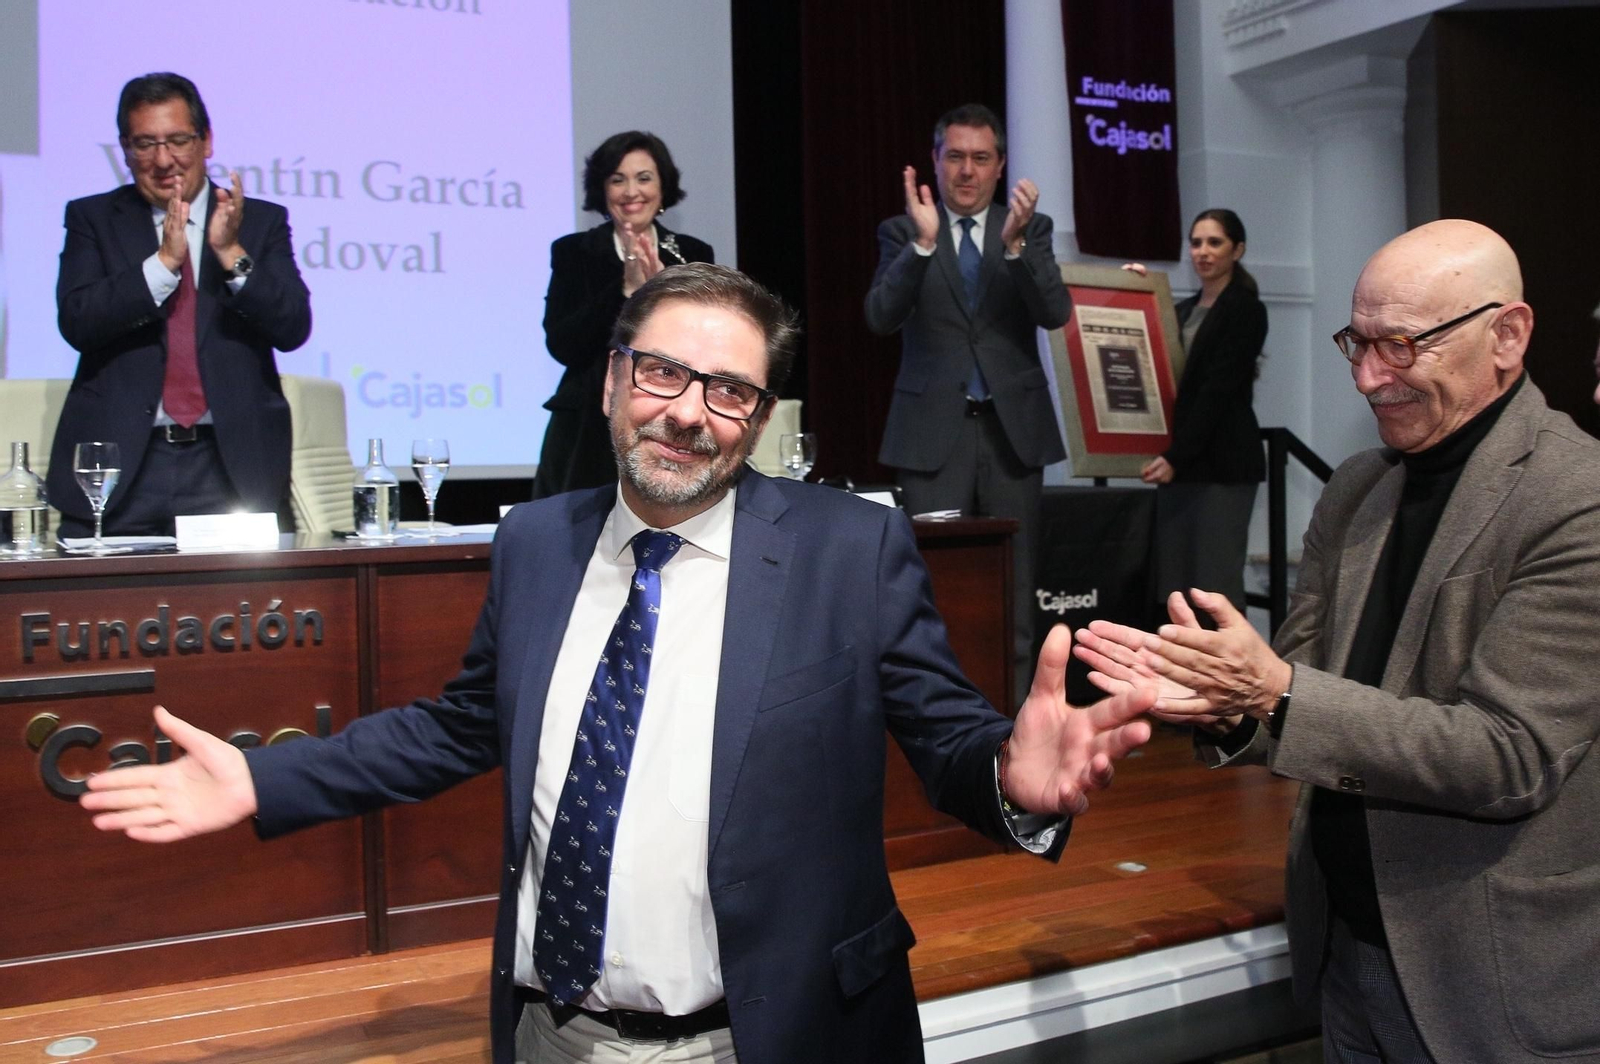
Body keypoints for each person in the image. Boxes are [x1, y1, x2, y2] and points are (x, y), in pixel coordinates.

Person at [82, 263, 1155, 1064]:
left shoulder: (848, 550)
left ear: (760, 419)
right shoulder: (535, 541)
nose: (688, 411)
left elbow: (946, 737)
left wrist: (1012, 779)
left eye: (728, 390)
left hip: (771, 1037)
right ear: (610, 380)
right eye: (661, 372)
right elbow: (460, 725)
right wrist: (263, 775)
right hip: (554, 1033)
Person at [1075, 220, 1600, 1063]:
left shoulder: (1578, 500)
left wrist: (1272, 690)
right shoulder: (1360, 489)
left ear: (1508, 335)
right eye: (1357, 342)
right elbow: (1308, 689)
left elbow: (1506, 755)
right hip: (1344, 949)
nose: (1366, 377)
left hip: (1487, 975)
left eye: (1401, 345)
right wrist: (1225, 705)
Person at [864, 103, 1072, 699]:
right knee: (934, 592)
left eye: (981, 158)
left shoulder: (1030, 228)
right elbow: (879, 315)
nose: (966, 170)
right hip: (934, 436)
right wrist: (924, 247)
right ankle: (941, 729)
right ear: (936, 160)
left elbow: (1054, 313)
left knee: (1016, 593)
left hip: (1013, 436)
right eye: (954, 156)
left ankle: (1016, 732)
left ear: (1000, 165)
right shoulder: (903, 231)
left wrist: (1014, 251)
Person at [50, 72, 312, 538]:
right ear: (125, 150)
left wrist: (232, 255)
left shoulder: (261, 222)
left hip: (229, 466)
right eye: (145, 144)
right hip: (121, 469)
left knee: (244, 611)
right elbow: (78, 321)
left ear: (206, 141)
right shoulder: (93, 219)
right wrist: (162, 265)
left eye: (177, 140)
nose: (163, 160)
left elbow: (292, 326)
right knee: (104, 611)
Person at [533, 131, 714, 499]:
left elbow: (705, 345)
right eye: (618, 180)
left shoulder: (692, 254)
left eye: (644, 178)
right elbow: (563, 344)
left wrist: (661, 291)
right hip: (586, 426)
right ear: (603, 190)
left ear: (663, 187)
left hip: (669, 421)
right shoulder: (573, 252)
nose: (632, 191)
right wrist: (626, 292)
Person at [1124, 209, 1266, 613]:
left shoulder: (1246, 309)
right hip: (1180, 465)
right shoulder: (1182, 311)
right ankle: (1179, 676)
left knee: (1214, 588)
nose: (1203, 252)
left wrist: (1175, 455)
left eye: (1214, 243)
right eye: (1196, 242)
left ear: (1237, 250)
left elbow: (1215, 392)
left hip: (1221, 466)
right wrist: (1132, 289)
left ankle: (1225, 677)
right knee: (1174, 587)